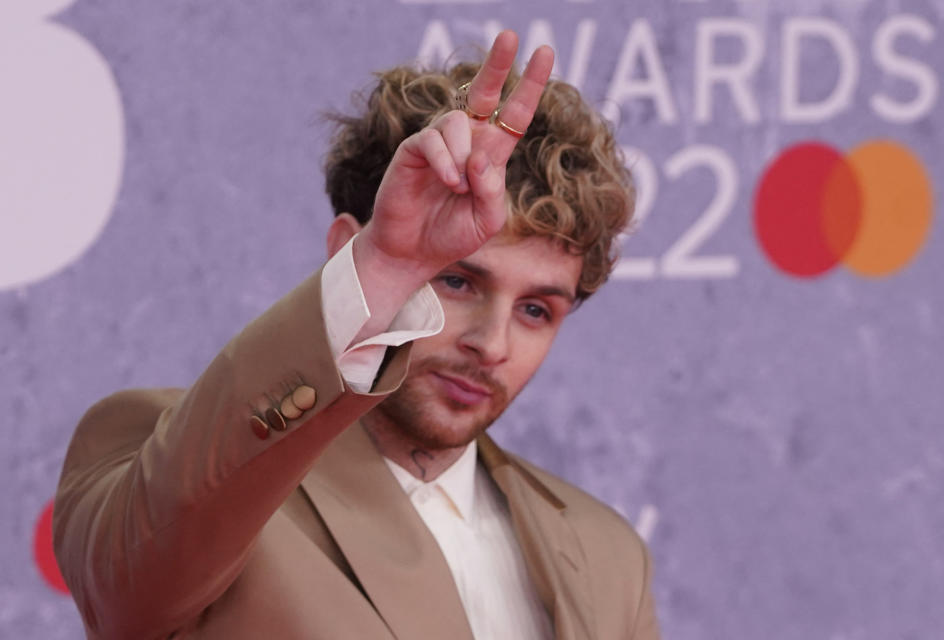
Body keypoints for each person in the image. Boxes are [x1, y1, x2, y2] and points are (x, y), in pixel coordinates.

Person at [53, 31, 661, 639]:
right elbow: (127, 599)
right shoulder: (168, 456)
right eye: (455, 281)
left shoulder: (608, 553)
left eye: (536, 310)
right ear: (350, 251)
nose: (493, 344)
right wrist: (384, 273)